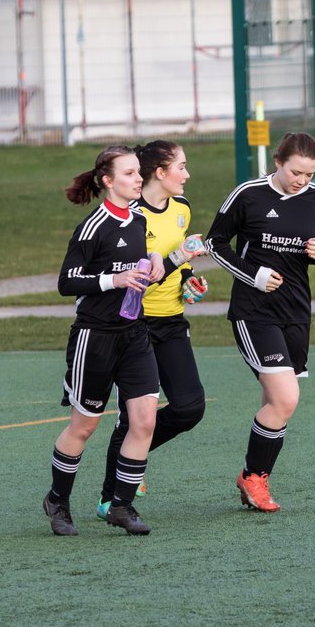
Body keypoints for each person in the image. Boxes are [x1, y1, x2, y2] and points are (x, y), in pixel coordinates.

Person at [204, 132, 315, 513]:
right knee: (286, 398)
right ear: (278, 162)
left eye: (309, 174)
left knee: (275, 401)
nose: (302, 181)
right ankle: (254, 477)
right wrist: (253, 275)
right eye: (296, 172)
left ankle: (253, 478)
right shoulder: (248, 194)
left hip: (296, 312)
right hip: (254, 310)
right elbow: (215, 244)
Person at [44, 145, 166, 536]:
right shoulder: (92, 226)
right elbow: (67, 282)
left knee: (144, 421)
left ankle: (121, 506)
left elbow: (141, 255)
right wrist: (115, 280)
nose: (138, 179)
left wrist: (157, 261)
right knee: (84, 427)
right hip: (94, 338)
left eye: (138, 172)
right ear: (108, 181)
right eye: (129, 174)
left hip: (134, 334)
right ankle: (58, 502)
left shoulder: (138, 218)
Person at [95, 141, 210, 520]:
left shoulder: (182, 209)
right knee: (132, 419)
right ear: (159, 172)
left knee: (190, 407)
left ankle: (135, 456)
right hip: (135, 325)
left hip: (172, 321)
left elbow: (177, 268)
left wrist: (190, 280)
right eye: (181, 166)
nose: (187, 174)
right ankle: (112, 497)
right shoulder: (130, 217)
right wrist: (180, 260)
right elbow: (144, 279)